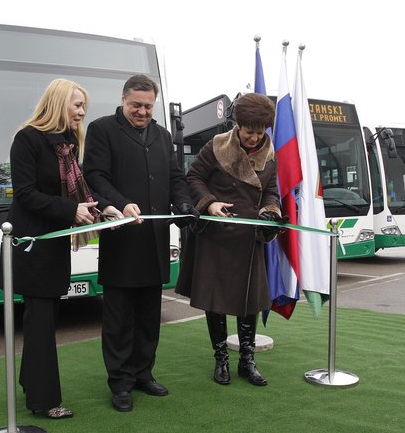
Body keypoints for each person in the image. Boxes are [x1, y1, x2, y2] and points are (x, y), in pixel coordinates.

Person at [2, 78, 122, 419]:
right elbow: (25, 194)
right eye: (77, 105)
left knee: (44, 319)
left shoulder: (67, 143)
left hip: (54, 246)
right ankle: (43, 401)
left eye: (84, 106)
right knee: (40, 322)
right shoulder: (27, 139)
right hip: (31, 246)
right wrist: (72, 212)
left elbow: (80, 193)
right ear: (57, 103)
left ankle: (31, 385)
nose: (82, 112)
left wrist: (104, 209)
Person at [83, 74, 197, 412]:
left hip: (155, 242)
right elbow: (94, 175)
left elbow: (175, 177)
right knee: (119, 319)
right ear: (122, 100)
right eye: (136, 105)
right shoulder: (102, 129)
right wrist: (120, 202)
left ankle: (143, 373)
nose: (143, 112)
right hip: (121, 242)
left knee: (149, 316)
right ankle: (119, 383)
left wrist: (185, 204)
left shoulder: (162, 136)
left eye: (148, 106)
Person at [175, 93, 283, 387]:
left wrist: (270, 211)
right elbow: (193, 177)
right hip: (217, 236)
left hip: (250, 239)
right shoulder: (216, 145)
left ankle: (247, 361)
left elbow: (271, 191)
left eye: (260, 132)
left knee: (250, 301)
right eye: (250, 131)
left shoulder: (270, 154)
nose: (254, 137)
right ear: (238, 124)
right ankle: (220, 358)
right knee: (217, 300)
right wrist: (209, 204)